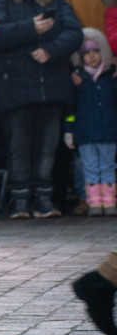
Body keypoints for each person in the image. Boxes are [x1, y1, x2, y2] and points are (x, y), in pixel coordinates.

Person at [0, 0, 82, 219]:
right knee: (19, 147)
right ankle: (19, 202)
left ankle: (43, 201)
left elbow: (74, 32)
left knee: (47, 148)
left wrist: (51, 50)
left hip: (51, 85)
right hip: (15, 87)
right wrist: (31, 28)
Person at [65, 29, 117, 216]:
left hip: (109, 131)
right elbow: (71, 110)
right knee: (90, 168)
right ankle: (94, 202)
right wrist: (69, 130)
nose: (92, 57)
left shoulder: (110, 78)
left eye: (95, 52)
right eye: (87, 54)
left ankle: (110, 202)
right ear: (81, 58)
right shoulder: (77, 80)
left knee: (108, 166)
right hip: (85, 132)